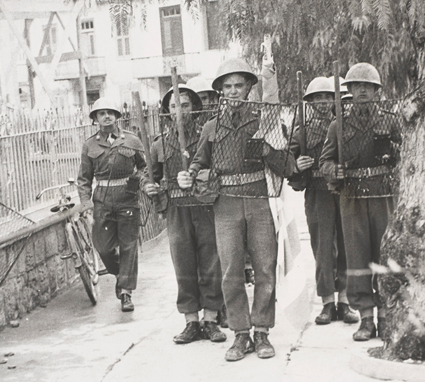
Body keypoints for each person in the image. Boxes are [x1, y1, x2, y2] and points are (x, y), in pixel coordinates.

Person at [178, 58, 292, 361]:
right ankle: (241, 335)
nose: (233, 91)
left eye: (238, 85)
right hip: (225, 202)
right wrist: (189, 173)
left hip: (258, 198)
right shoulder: (212, 127)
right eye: (227, 86)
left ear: (249, 87)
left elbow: (285, 163)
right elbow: (199, 162)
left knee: (265, 268)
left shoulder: (263, 120)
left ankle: (263, 332)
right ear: (219, 92)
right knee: (230, 271)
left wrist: (270, 148)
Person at [319, 63, 401, 341]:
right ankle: (366, 318)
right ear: (349, 92)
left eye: (368, 86)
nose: (362, 90)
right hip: (351, 198)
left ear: (377, 91)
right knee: (357, 258)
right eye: (356, 86)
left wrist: (393, 153)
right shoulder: (337, 125)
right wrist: (334, 171)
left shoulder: (391, 120)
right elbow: (324, 161)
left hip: (384, 196)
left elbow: (405, 155)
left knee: (386, 256)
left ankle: (387, 316)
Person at [145, 85, 226, 344]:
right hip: (177, 210)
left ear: (195, 108)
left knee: (211, 263)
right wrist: (148, 186)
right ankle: (191, 321)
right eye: (173, 106)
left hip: (205, 207)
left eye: (185, 105)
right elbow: (151, 177)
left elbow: (218, 169)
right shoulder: (159, 145)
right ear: (167, 113)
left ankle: (211, 319)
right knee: (184, 265)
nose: (179, 111)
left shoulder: (208, 137)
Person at [288, 76, 359, 326]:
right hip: (318, 192)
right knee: (323, 248)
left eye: (328, 97)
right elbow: (287, 161)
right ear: (309, 102)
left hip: (344, 191)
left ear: (335, 100)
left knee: (347, 245)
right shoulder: (302, 132)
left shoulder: (347, 125)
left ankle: (344, 301)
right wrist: (296, 165)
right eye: (317, 98)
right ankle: (327, 303)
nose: (322, 102)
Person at [77, 98, 146, 312]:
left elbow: (144, 168)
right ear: (96, 119)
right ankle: (121, 274)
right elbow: (84, 179)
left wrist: (140, 183)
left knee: (128, 246)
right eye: (101, 113)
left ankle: (125, 292)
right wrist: (87, 204)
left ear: (117, 116)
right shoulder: (90, 145)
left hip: (127, 198)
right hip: (102, 202)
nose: (106, 116)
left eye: (110, 112)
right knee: (103, 248)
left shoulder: (132, 140)